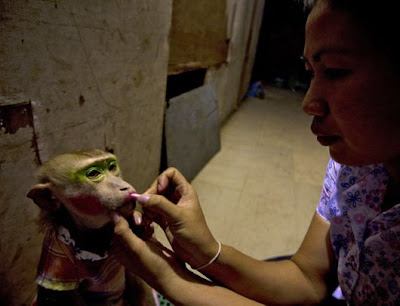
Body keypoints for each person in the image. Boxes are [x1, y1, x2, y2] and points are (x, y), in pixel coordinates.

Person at [111, 0, 400, 304]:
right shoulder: (353, 169)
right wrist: (206, 250)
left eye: (335, 71)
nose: (309, 103)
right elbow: (308, 277)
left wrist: (164, 274)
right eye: (311, 72)